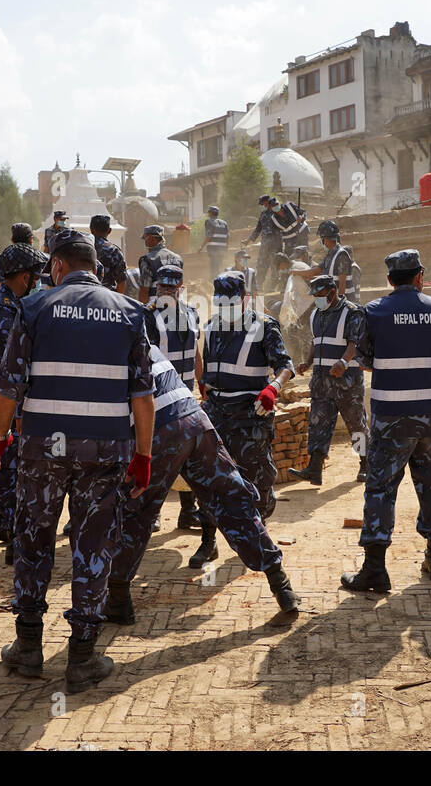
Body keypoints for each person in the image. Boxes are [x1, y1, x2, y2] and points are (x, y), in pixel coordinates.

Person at [0, 229, 154, 692]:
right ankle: (81, 657)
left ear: (57, 266)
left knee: (34, 539)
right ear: (96, 269)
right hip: (106, 451)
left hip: (43, 448)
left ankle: (27, 648)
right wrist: (143, 456)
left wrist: (0, 438)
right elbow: (143, 396)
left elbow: (7, 385)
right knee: (93, 544)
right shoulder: (128, 312)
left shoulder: (33, 308)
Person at [107, 344, 301, 621]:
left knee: (134, 508)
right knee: (232, 499)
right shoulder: (136, 334)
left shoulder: (93, 349)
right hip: (195, 420)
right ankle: (282, 587)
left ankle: (117, 600)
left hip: (158, 428)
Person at [341, 250, 431, 592]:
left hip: (391, 418)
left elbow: (363, 360)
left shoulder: (374, 312)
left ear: (390, 279)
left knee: (380, 487)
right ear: (421, 275)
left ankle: (376, 570)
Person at [197, 271, 295, 567]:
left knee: (258, 476)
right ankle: (208, 541)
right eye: (220, 303)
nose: (224, 309)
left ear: (245, 300)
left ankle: (257, 534)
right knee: (209, 478)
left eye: (230, 303)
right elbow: (206, 363)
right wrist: (204, 387)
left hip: (251, 413)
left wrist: (273, 388)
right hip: (216, 413)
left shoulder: (264, 327)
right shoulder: (212, 325)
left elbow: (285, 365)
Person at [0, 244, 46, 551]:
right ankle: (8, 527)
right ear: (22, 277)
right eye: (35, 277)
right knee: (10, 462)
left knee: (5, 460)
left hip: (1, 395)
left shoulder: (8, 302)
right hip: (5, 398)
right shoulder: (5, 310)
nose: (38, 282)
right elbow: (10, 367)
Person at [144, 264, 207, 529]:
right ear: (156, 287)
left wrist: (202, 382)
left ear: (181, 289)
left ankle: (186, 510)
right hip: (156, 398)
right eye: (163, 287)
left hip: (186, 394)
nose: (167, 292)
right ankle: (153, 512)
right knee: (155, 454)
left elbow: (195, 352)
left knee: (189, 452)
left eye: (173, 287)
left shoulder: (192, 314)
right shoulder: (146, 316)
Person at [291, 274, 368, 486]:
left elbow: (354, 344)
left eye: (320, 294)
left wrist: (343, 362)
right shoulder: (316, 313)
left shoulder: (353, 312)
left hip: (347, 382)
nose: (316, 298)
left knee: (356, 423)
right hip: (321, 382)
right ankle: (314, 470)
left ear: (332, 292)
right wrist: (307, 363)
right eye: (314, 294)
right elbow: (316, 342)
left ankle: (365, 463)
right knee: (318, 423)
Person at [246, 195, 284, 293]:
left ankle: (272, 288)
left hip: (276, 244)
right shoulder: (263, 214)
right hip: (265, 245)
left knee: (274, 266)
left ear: (267, 202)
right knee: (261, 265)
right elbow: (258, 229)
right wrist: (248, 240)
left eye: (263, 204)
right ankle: (258, 286)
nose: (262, 206)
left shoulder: (277, 211)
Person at [137, 225, 182, 300]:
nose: (145, 241)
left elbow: (144, 290)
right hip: (174, 304)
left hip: (155, 305)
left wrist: (142, 309)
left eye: (145, 238)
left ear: (151, 238)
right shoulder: (177, 258)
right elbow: (180, 284)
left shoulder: (147, 259)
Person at [91, 214, 128, 294]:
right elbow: (121, 281)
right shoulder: (114, 251)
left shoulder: (83, 247)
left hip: (86, 295)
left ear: (91, 230)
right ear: (109, 231)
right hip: (107, 296)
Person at [199, 206, 231, 280]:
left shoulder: (209, 221)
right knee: (219, 265)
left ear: (210, 213)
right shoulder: (224, 223)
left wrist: (201, 247)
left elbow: (208, 236)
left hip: (213, 249)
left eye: (208, 212)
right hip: (222, 248)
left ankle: (214, 281)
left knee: (213, 266)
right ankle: (219, 279)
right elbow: (227, 237)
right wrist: (226, 249)